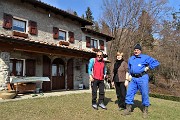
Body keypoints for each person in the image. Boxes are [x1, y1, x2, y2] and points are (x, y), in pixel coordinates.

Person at [122, 43, 160, 118]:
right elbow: (129, 69)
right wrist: (128, 76)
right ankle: (128, 109)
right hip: (133, 79)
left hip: (142, 78)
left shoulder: (145, 57)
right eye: (135, 50)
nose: (136, 51)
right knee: (129, 93)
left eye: (137, 50)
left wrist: (148, 67)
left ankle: (145, 110)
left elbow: (156, 62)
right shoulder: (131, 58)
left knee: (145, 93)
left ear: (140, 51)